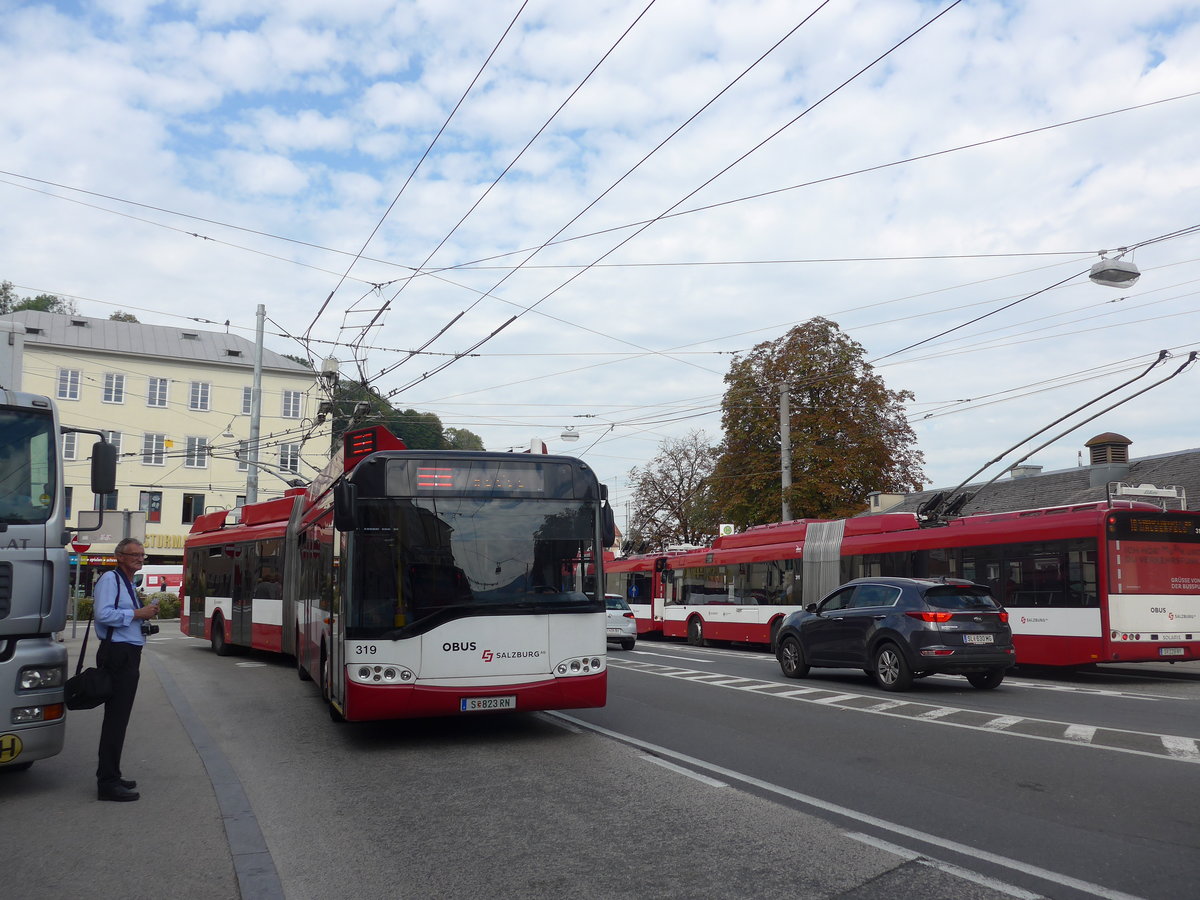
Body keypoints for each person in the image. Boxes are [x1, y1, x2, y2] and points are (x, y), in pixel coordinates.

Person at [92, 538, 159, 802]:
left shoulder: (127, 582)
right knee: (116, 718)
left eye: (143, 555)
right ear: (119, 556)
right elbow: (103, 614)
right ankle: (107, 783)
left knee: (119, 718)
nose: (140, 559)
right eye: (134, 555)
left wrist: (142, 614)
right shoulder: (111, 579)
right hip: (118, 654)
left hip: (128, 653)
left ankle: (112, 774)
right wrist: (137, 614)